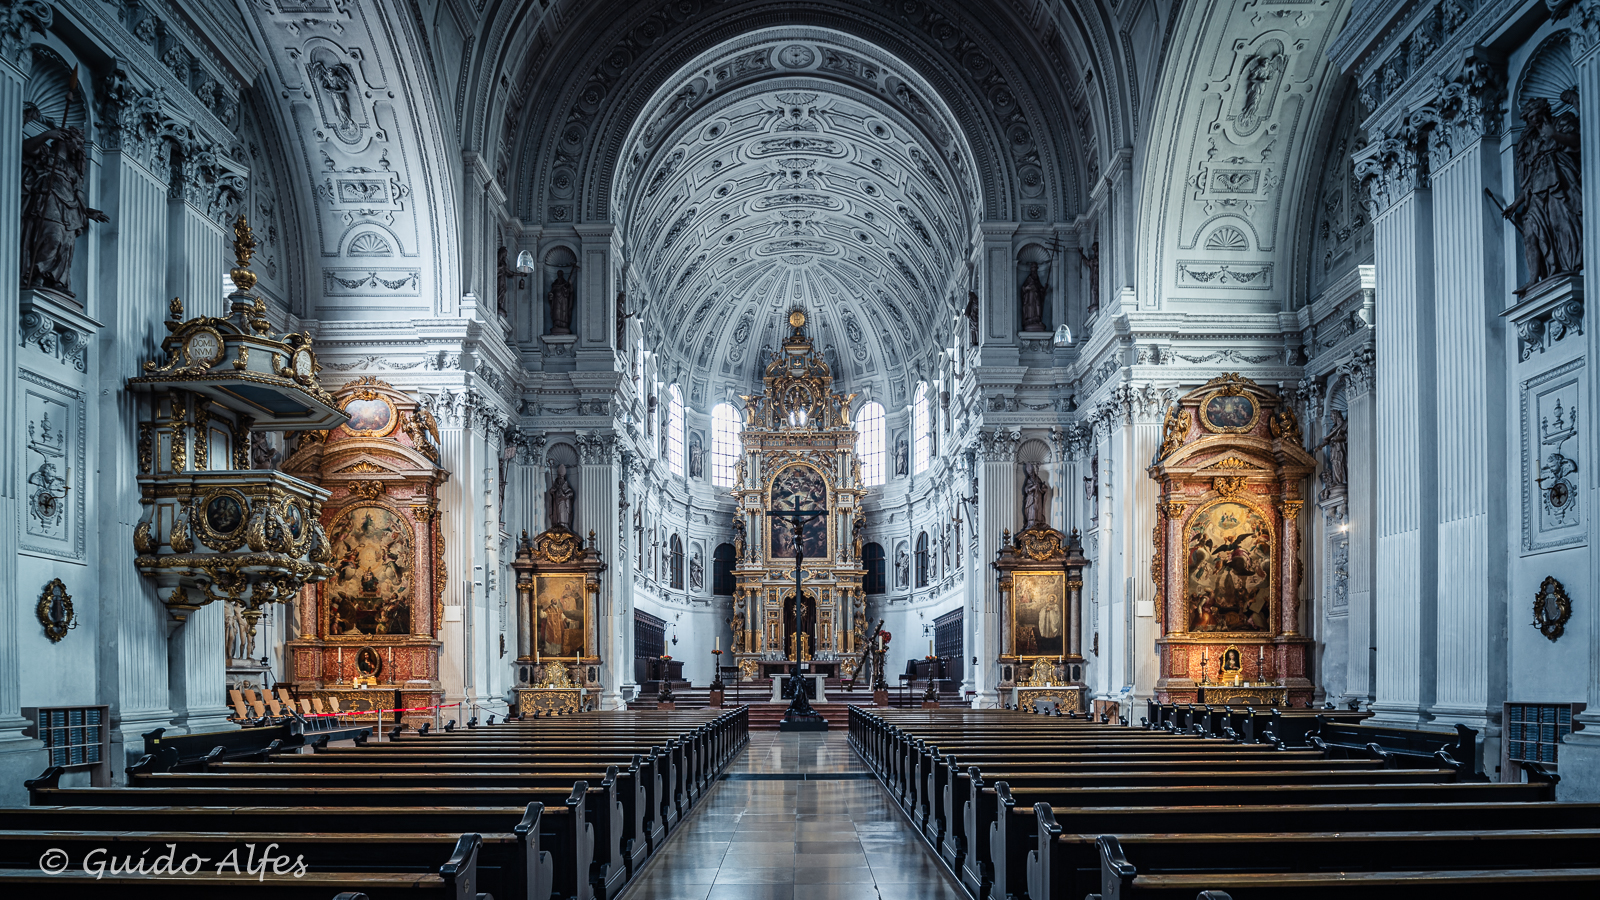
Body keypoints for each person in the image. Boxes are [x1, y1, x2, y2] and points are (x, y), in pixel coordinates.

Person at [1504, 96, 1582, 286]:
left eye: (1538, 115)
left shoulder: (1562, 121)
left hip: (1560, 183)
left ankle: (1570, 266)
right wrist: (1515, 204)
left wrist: (1554, 134)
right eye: (1531, 117)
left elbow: (1578, 140)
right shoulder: (1532, 143)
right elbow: (1531, 179)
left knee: (1562, 225)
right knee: (1532, 231)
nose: (1536, 120)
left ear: (1545, 111)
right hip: (1537, 192)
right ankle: (1536, 277)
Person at [21, 126, 107, 296]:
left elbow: (76, 195)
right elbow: (27, 148)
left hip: (69, 209)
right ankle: (37, 275)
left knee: (66, 244)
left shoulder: (73, 170)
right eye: (76, 142)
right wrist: (46, 134)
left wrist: (88, 212)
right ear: (66, 139)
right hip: (49, 199)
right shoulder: (46, 155)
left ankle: (56, 280)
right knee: (53, 237)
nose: (78, 147)